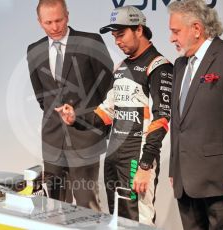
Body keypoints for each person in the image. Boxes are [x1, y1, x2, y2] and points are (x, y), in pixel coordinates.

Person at [56, 5, 173, 225]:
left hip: (136, 157)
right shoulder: (120, 68)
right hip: (114, 155)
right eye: (114, 36)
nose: (117, 41)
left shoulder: (159, 66)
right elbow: (105, 113)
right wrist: (75, 117)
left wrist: (145, 165)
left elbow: (162, 119)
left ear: (139, 29)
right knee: (116, 220)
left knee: (139, 220)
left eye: (121, 35)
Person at [27, 0, 114, 212]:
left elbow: (109, 91)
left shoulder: (90, 42)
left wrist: (87, 121)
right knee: (53, 206)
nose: (55, 27)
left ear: (68, 15)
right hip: (53, 139)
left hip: (85, 137)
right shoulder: (34, 50)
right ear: (39, 22)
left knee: (87, 205)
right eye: (48, 22)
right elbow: (42, 97)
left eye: (59, 20)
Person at [167, 0, 223, 229]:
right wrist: (175, 169)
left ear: (197, 29)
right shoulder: (180, 64)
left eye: (175, 31)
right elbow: (178, 121)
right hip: (186, 184)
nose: (172, 38)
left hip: (220, 183)